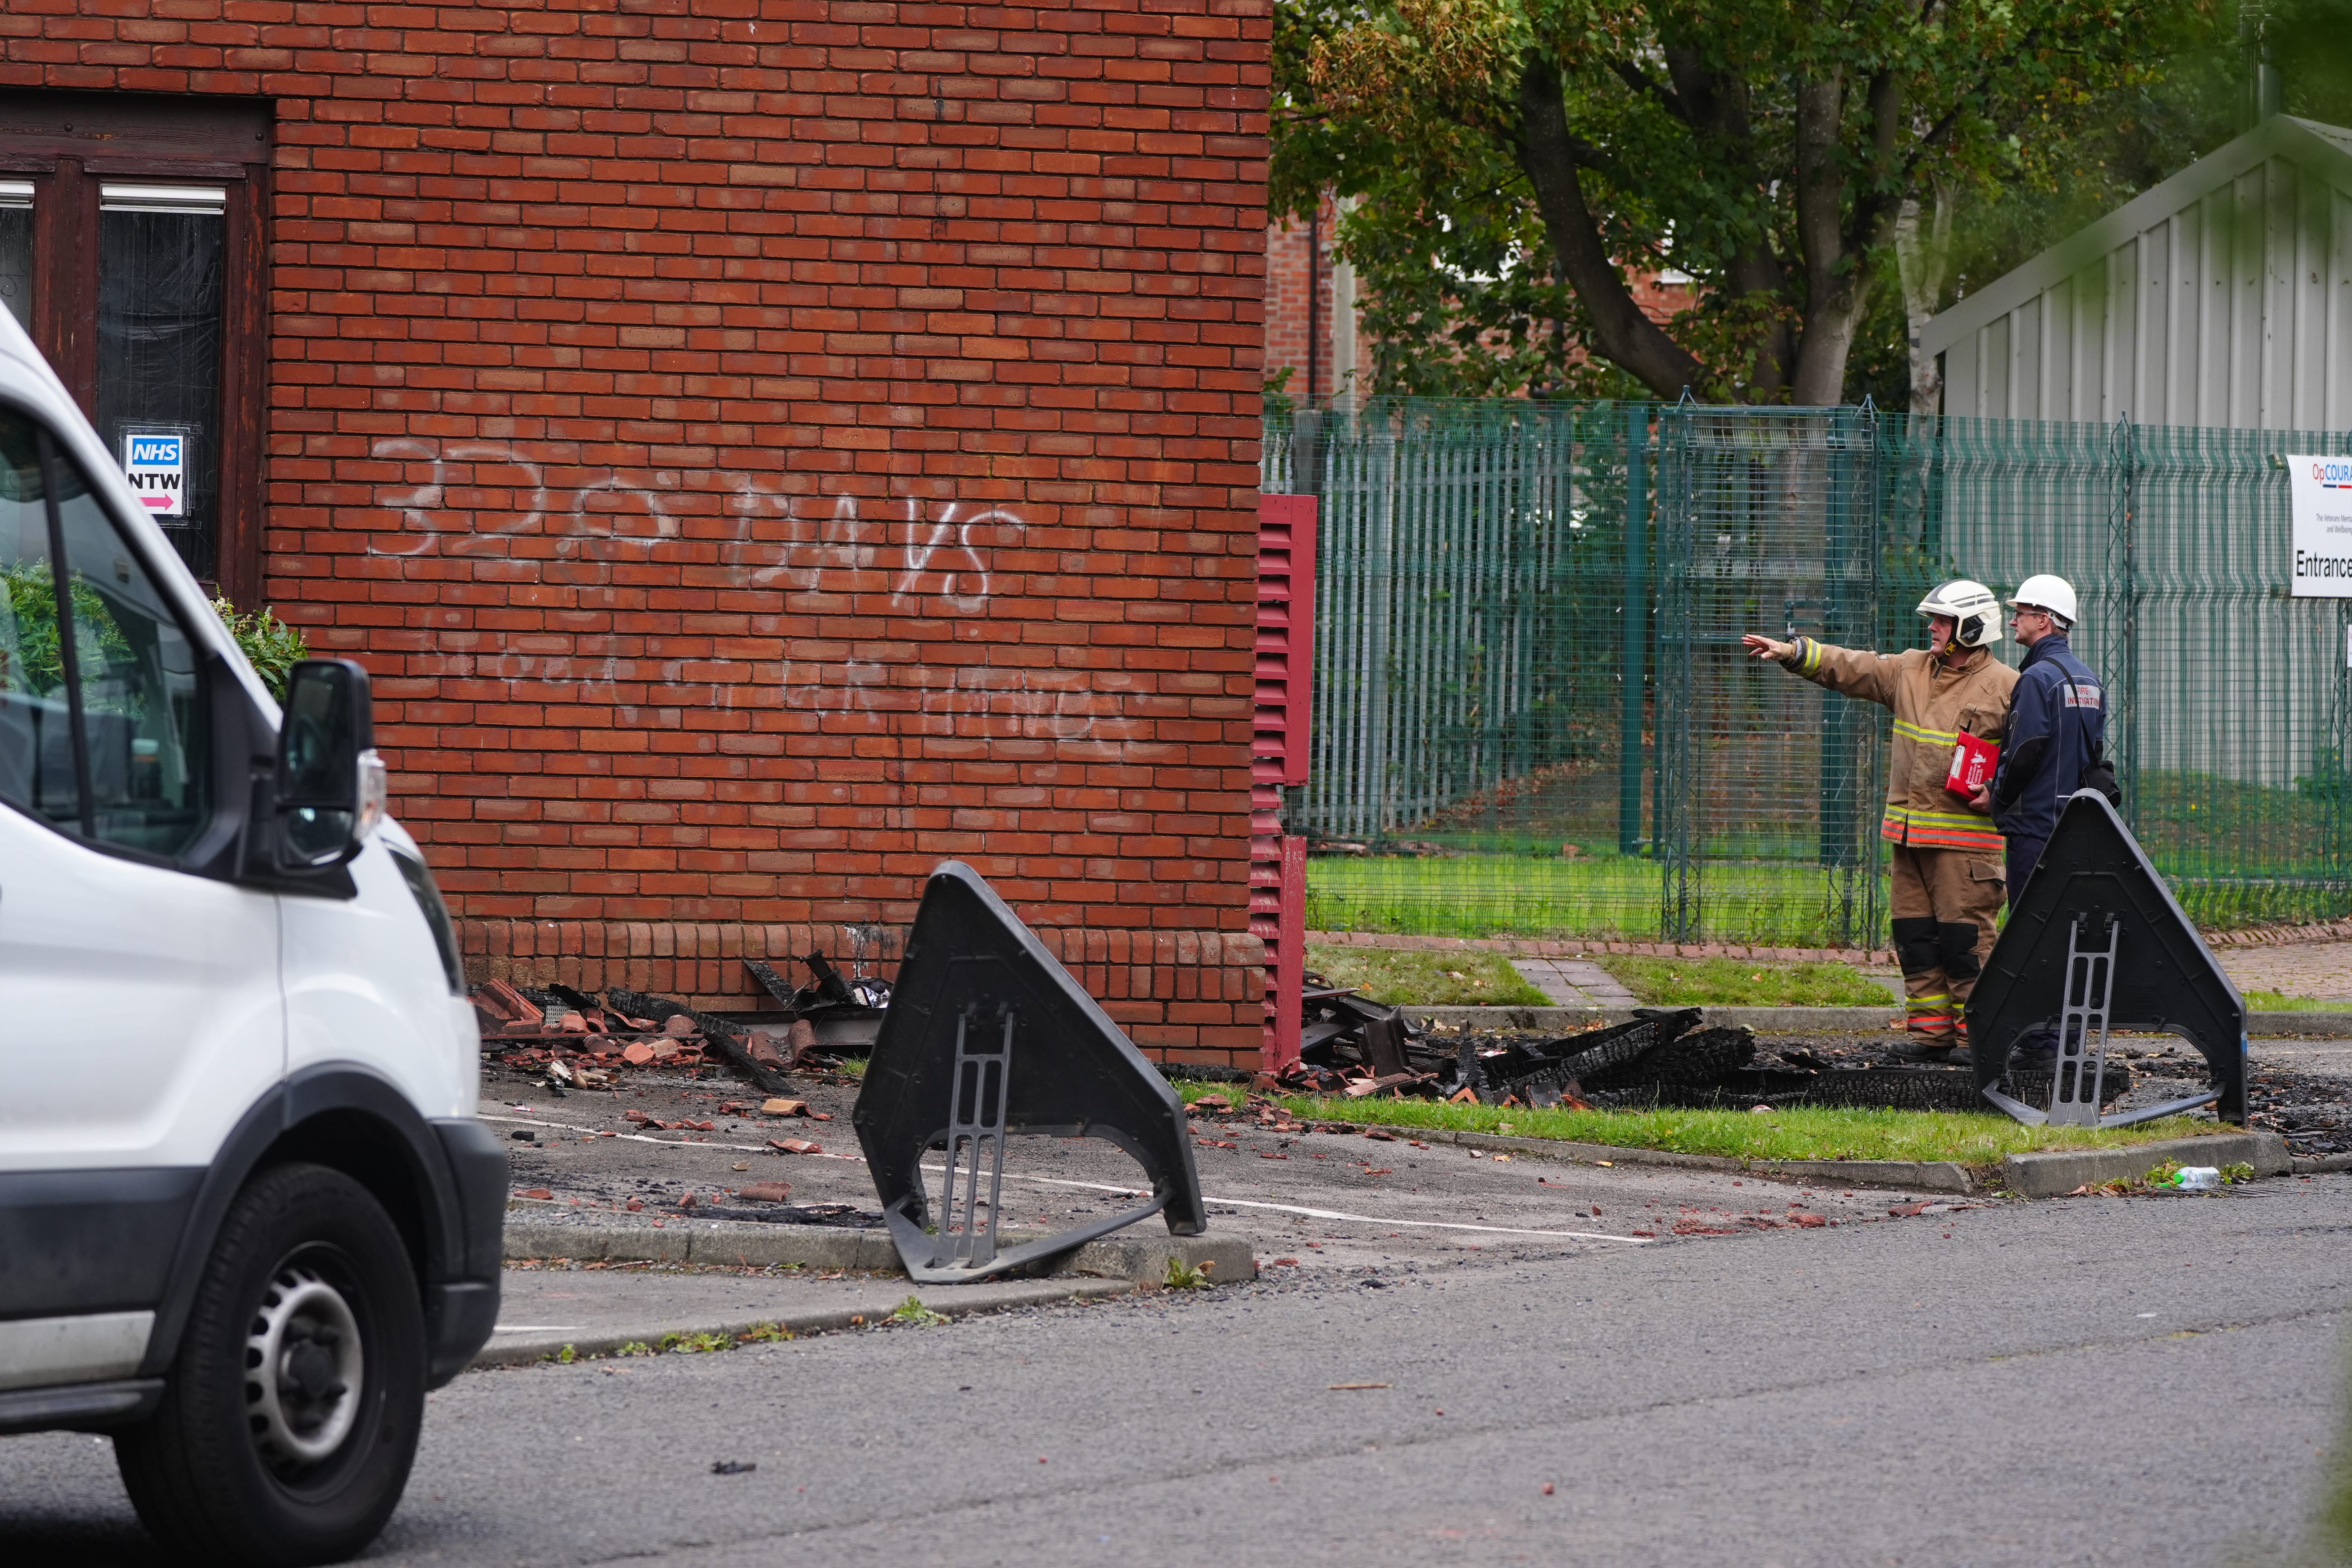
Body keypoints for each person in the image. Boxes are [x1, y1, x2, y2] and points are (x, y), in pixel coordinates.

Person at [1742, 581, 2018, 1059]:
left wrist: (1998, 792)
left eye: (1942, 621)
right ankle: (1932, 1038)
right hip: (1909, 839)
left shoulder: (2008, 686)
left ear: (1970, 628)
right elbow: (1852, 667)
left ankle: (1982, 1042)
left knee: (1966, 946)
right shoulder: (1911, 670)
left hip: (1964, 849)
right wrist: (1793, 652)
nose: (1932, 628)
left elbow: (2031, 759)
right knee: (1916, 943)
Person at [1971, 574, 2108, 904]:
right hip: (2075, 827)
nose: (2014, 619)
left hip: (2034, 832)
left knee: (2029, 926)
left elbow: (2023, 753)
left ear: (2044, 620)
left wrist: (1997, 795)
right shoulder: (2091, 680)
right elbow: (2095, 752)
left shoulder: (2036, 677)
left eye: (2021, 612)